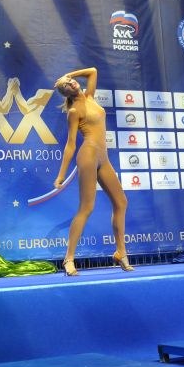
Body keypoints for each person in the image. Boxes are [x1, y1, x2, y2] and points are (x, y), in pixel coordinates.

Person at [53, 67, 132, 275]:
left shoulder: (89, 96)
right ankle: (68, 259)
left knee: (121, 202)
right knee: (86, 207)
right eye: (66, 85)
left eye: (71, 80)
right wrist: (61, 175)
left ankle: (120, 252)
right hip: (87, 155)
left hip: (103, 157)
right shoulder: (74, 111)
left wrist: (69, 74)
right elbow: (70, 144)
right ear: (67, 93)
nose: (71, 83)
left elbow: (93, 71)